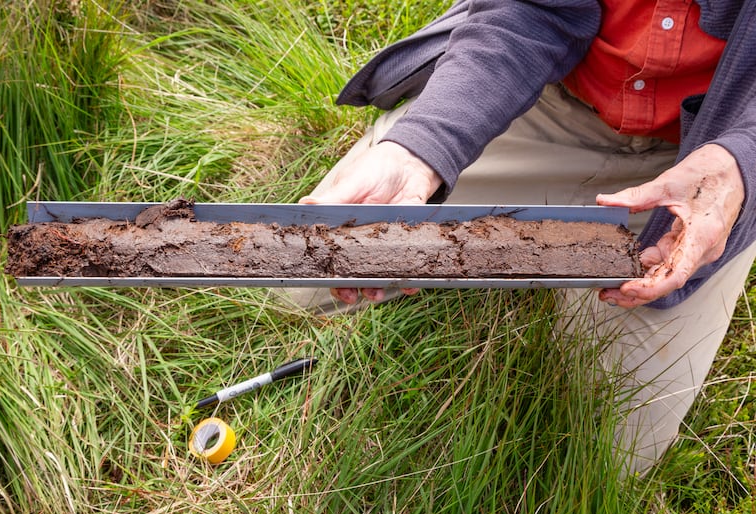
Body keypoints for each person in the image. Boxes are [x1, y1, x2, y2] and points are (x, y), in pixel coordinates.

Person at [279, 0, 756, 475]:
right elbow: (526, 12)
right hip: (545, 100)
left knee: (611, 460)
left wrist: (739, 166)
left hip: (705, 164)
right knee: (300, 276)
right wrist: (421, 148)